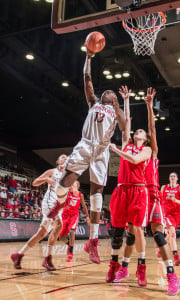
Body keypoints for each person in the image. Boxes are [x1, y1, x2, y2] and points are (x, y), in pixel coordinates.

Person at [47, 51, 125, 264]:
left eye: (112, 92)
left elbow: (126, 127)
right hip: (85, 144)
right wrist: (89, 57)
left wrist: (120, 106)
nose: (108, 91)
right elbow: (87, 79)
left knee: (97, 192)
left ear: (114, 100)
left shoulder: (116, 113)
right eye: (106, 91)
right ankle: (60, 203)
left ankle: (93, 240)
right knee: (64, 183)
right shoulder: (93, 103)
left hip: (101, 150)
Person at [106, 85, 152, 287]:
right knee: (117, 231)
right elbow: (126, 124)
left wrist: (116, 151)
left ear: (145, 138)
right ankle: (114, 265)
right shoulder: (127, 143)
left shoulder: (148, 150)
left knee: (138, 229)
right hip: (121, 189)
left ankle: (141, 268)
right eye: (137, 130)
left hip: (138, 191)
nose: (138, 131)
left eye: (142, 131)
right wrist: (126, 100)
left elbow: (134, 160)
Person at [144, 88, 179, 295]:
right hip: (137, 197)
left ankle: (171, 274)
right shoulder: (135, 156)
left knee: (158, 235)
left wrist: (149, 106)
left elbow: (152, 129)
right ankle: (125, 267)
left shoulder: (153, 155)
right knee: (132, 233)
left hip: (152, 195)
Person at [10, 154, 67, 271]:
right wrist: (46, 179)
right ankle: (48, 259)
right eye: (62, 157)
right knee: (59, 225)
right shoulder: (52, 171)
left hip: (59, 206)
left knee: (41, 234)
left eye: (67, 157)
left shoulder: (68, 176)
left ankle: (18, 255)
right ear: (57, 161)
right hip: (49, 204)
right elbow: (35, 182)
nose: (65, 158)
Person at [59, 180, 90, 261]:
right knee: (61, 237)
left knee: (72, 231)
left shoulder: (80, 195)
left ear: (77, 186)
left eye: (74, 184)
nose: (72, 185)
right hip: (65, 215)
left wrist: (87, 216)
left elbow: (84, 206)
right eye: (71, 184)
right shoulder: (67, 192)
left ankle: (70, 253)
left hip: (74, 215)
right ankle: (70, 245)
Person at [161, 172, 180, 267]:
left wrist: (175, 200)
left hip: (176, 214)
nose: (172, 177)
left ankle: (161, 246)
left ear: (177, 178)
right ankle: (176, 257)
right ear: (169, 178)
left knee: (169, 237)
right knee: (172, 233)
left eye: (174, 176)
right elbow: (160, 199)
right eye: (171, 176)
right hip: (166, 213)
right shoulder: (164, 187)